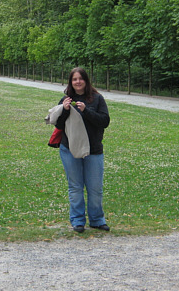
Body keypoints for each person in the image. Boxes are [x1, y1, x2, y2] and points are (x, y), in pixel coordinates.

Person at [55, 67, 110, 233]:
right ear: (70, 82)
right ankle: (78, 221)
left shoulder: (97, 99)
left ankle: (97, 219)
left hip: (93, 150)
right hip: (70, 149)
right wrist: (64, 110)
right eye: (74, 79)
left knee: (95, 188)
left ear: (86, 80)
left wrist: (86, 111)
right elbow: (58, 125)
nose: (77, 82)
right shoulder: (66, 100)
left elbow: (104, 121)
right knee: (75, 187)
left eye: (80, 78)